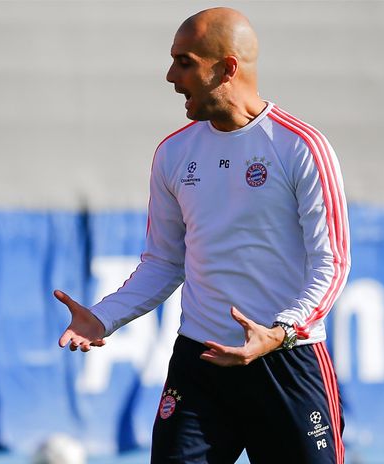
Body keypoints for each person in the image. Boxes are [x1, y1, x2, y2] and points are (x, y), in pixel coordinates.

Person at [55, 7, 349, 464]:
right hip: (200, 367)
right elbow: (163, 262)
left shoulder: (301, 147)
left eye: (185, 61)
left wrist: (282, 331)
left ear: (227, 67)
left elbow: (332, 264)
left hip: (287, 363)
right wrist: (103, 317)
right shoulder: (174, 153)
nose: (171, 75)